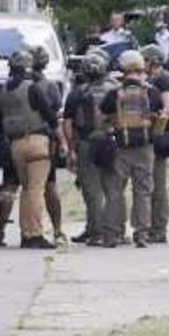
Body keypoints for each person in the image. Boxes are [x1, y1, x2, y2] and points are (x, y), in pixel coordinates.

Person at [100, 50, 164, 247]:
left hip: (121, 147)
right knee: (143, 192)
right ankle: (142, 233)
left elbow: (103, 115)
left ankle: (111, 234)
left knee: (115, 192)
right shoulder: (151, 92)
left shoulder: (114, 93)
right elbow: (160, 115)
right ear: (141, 66)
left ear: (123, 68)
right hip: (145, 148)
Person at [0, 49, 58, 249]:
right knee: (37, 190)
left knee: (26, 190)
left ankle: (26, 232)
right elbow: (50, 115)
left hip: (15, 145)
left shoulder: (4, 90)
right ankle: (35, 234)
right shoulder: (32, 88)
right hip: (37, 141)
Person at [60, 49, 117, 246]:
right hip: (111, 142)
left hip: (87, 144)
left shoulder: (77, 93)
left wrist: (70, 149)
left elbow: (67, 123)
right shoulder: (115, 88)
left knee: (92, 192)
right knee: (112, 189)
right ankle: (113, 230)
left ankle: (96, 232)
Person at [31, 44, 68, 246]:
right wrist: (62, 142)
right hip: (45, 141)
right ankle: (57, 229)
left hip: (17, 140)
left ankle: (0, 232)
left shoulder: (14, 85)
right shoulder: (50, 87)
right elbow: (56, 117)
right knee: (48, 186)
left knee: (17, 188)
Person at [141, 44, 169, 244]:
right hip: (156, 137)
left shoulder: (163, 80)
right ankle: (154, 227)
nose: (142, 64)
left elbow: (167, 109)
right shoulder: (155, 79)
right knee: (153, 185)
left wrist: (155, 130)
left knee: (158, 186)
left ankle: (158, 229)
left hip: (159, 139)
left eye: (145, 60)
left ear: (153, 62)